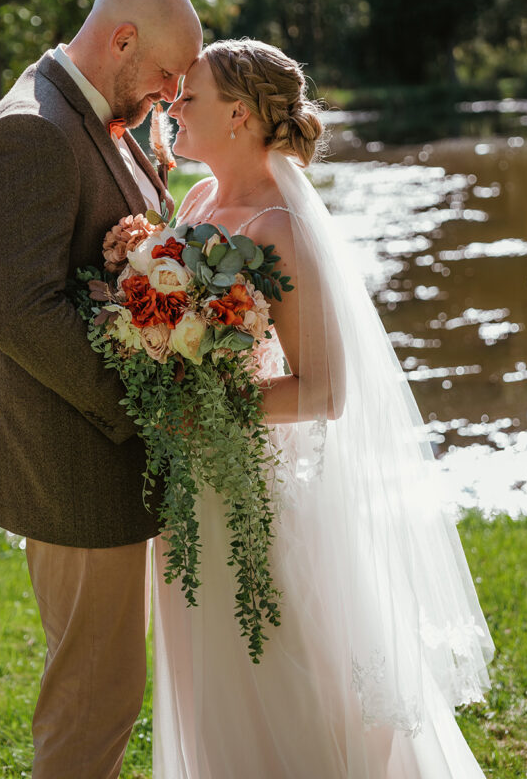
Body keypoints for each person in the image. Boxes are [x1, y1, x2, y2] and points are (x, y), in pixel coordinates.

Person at [156, 38, 494, 778]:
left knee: (280, 669)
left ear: (238, 115)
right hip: (190, 482)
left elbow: (324, 391)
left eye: (190, 98)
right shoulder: (197, 201)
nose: (172, 109)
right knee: (203, 672)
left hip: (254, 483)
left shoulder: (281, 229)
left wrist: (207, 408)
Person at [0, 0, 203, 779]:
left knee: (106, 687)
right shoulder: (30, 130)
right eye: (166, 76)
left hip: (98, 456)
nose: (172, 95)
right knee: (94, 698)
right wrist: (148, 408)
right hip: (73, 461)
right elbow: (22, 314)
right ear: (121, 40)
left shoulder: (97, 113)